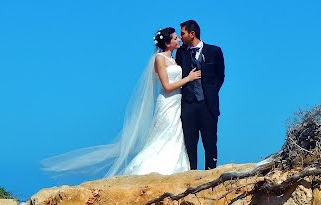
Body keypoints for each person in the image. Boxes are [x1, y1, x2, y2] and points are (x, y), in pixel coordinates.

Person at [41, 27, 202, 178]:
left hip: (177, 102)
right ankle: (153, 169)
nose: (179, 39)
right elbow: (166, 86)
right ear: (168, 43)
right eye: (175, 38)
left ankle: (176, 167)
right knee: (165, 133)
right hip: (167, 102)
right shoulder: (159, 59)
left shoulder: (173, 59)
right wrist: (188, 78)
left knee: (175, 134)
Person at [177, 20, 225, 170]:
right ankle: (192, 172)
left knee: (210, 140)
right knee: (189, 141)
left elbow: (220, 76)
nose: (180, 37)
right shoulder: (181, 53)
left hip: (207, 104)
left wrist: (210, 93)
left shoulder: (214, 51)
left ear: (192, 34)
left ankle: (211, 171)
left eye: (183, 33)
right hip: (188, 104)